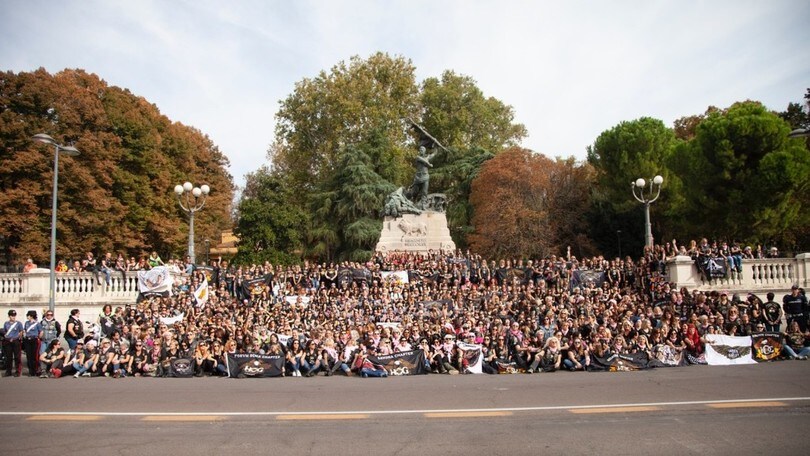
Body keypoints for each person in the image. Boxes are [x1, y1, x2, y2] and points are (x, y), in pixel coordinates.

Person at [3, 310, 23, 376]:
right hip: (8, 341)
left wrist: (18, 336)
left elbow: (21, 331)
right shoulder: (6, 323)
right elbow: (5, 331)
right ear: (9, 316)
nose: (13, 317)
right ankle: (8, 371)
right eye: (12, 315)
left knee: (17, 357)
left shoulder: (18, 323)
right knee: (8, 357)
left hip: (16, 341)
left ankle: (17, 371)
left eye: (14, 315)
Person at [22, 310, 41, 377]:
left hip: (34, 340)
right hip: (27, 340)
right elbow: (24, 330)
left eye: (28, 315)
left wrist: (38, 337)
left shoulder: (37, 324)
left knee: (34, 356)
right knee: (28, 356)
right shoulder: (26, 323)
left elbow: (40, 332)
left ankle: (35, 370)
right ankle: (30, 371)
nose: (27, 317)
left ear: (31, 316)